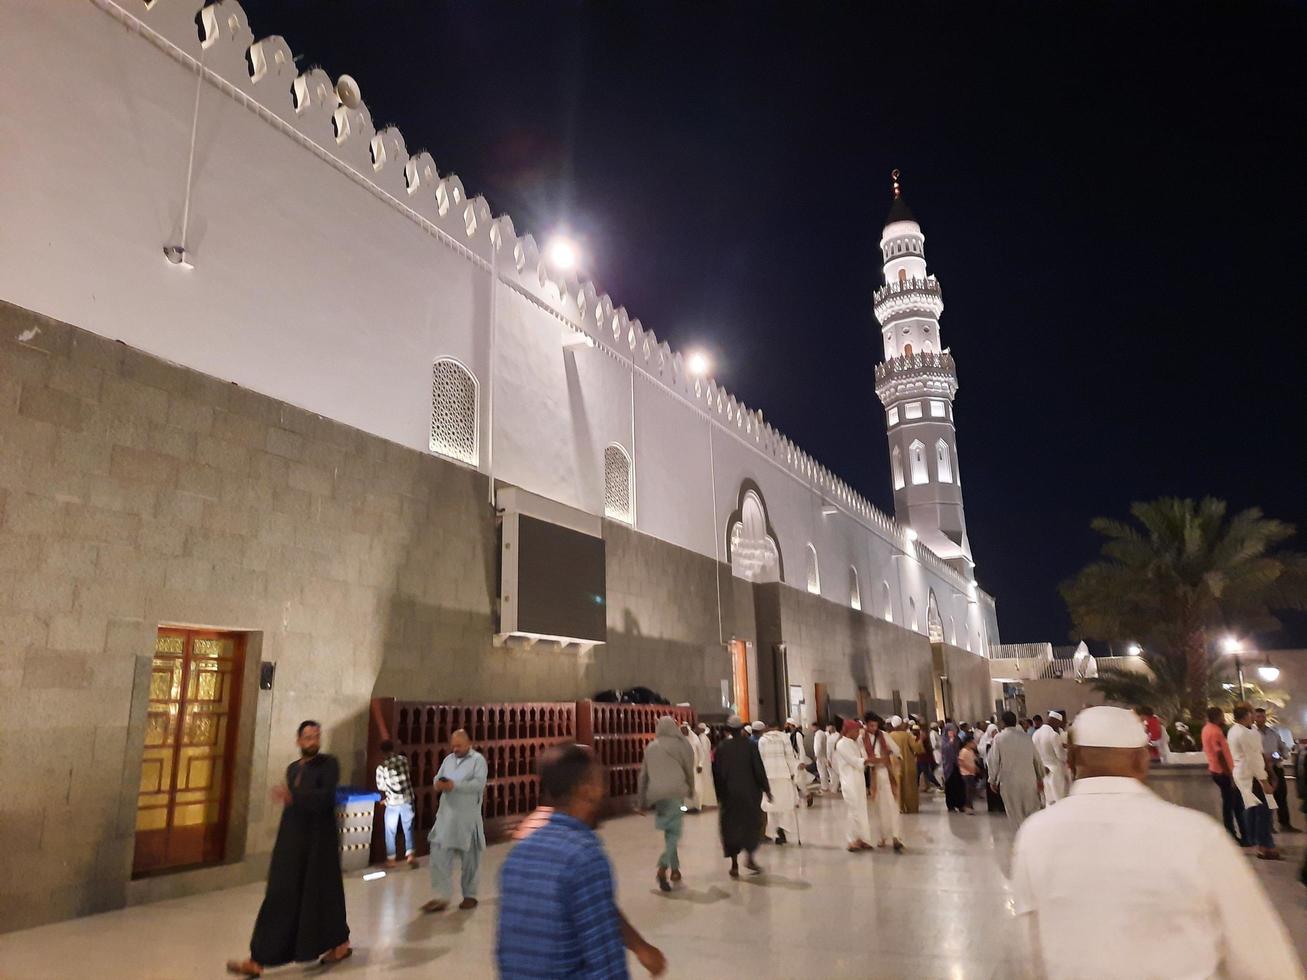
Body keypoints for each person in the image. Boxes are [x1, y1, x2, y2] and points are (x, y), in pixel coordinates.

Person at [1011, 706, 1304, 979]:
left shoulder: (1035, 834)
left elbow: (1031, 951)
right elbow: (1262, 956)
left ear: (1072, 761)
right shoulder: (1196, 835)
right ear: (1141, 760)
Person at [497, 744, 667, 978]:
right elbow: (607, 964)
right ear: (586, 790)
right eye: (599, 781)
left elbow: (591, 907)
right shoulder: (583, 857)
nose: (604, 790)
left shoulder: (518, 855)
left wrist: (639, 947)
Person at [226, 721, 350, 977]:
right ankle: (258, 958)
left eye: (316, 736)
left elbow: (326, 796)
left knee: (323, 897)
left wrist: (295, 797)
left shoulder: (329, 764)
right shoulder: (293, 769)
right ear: (298, 741)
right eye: (307, 737)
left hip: (319, 846)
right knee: (280, 897)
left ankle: (340, 944)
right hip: (292, 845)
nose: (313, 740)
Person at [422, 729, 487, 912]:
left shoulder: (477, 761)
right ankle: (441, 896)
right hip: (446, 818)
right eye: (453, 745)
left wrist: (455, 786)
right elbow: (437, 778)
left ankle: (470, 895)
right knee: (438, 857)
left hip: (467, 819)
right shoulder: (448, 760)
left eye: (459, 745)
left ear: (468, 743)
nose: (455, 748)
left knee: (470, 861)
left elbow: (478, 784)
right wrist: (439, 784)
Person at [637, 717, 696, 891]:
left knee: (670, 832)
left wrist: (641, 802)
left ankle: (675, 870)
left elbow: (643, 776)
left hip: (657, 796)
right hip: (675, 793)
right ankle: (662, 869)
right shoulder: (682, 745)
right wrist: (691, 789)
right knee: (675, 834)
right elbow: (688, 769)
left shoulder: (651, 746)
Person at [712, 716, 771, 877]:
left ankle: (734, 864)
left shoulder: (722, 747)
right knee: (751, 825)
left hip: (729, 795)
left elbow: (716, 774)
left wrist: (719, 795)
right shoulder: (751, 746)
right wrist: (767, 789)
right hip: (750, 794)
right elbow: (758, 770)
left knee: (731, 827)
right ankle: (750, 858)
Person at [1229, 704, 1280, 860]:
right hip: (1252, 776)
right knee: (1263, 812)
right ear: (1247, 715)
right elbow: (1254, 759)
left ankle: (1258, 843)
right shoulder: (1247, 734)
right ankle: (1265, 846)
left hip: (1242, 775)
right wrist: (1265, 781)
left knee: (1253, 810)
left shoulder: (1233, 731)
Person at [987, 711, 1043, 832]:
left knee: (1015, 813)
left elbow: (993, 760)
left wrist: (992, 779)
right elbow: (1037, 759)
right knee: (1031, 811)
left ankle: (1021, 839)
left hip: (1009, 782)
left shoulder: (999, 738)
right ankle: (1032, 836)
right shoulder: (1026, 737)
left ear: (1002, 722)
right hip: (1029, 780)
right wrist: (1040, 777)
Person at [1202, 706, 1246, 845]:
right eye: (1222, 716)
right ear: (1217, 717)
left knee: (1230, 803)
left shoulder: (1206, 729)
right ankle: (1235, 835)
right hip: (1223, 773)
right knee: (1234, 805)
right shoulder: (1215, 731)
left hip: (1216, 770)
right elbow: (1220, 754)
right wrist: (1231, 774)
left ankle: (1237, 834)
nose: (1223, 718)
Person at [863, 714, 904, 850]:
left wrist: (890, 757)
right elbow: (863, 757)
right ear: (866, 724)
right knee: (878, 808)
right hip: (874, 775)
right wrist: (872, 761)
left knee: (893, 804)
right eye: (871, 725)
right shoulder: (862, 738)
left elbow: (897, 750)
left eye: (875, 725)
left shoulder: (884, 736)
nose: (873, 728)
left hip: (887, 773)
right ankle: (882, 836)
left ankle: (896, 836)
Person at [375, 739, 418, 869]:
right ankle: (410, 855)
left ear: (382, 751)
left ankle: (391, 859)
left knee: (390, 831)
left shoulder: (381, 767)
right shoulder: (403, 760)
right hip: (407, 800)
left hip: (393, 803)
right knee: (408, 828)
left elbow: (381, 786)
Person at [1255, 707, 1298, 833]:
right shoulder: (1252, 734)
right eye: (1258, 717)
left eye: (1262, 716)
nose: (1260, 719)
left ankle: (1285, 823)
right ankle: (1269, 825)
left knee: (1281, 796)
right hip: (1263, 769)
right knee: (1267, 798)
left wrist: (1280, 755)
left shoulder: (1273, 733)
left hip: (1276, 767)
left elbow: (1283, 748)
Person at [833, 719, 873, 851]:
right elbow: (855, 761)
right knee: (854, 810)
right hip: (849, 782)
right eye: (857, 731)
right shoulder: (841, 744)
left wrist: (863, 746)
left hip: (859, 780)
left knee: (862, 810)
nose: (858, 733)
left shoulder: (856, 743)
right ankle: (852, 840)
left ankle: (863, 839)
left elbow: (864, 756)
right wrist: (871, 760)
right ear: (849, 731)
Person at [758, 722, 801, 845]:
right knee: (785, 804)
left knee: (772, 805)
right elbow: (790, 757)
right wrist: (793, 773)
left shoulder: (763, 740)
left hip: (769, 775)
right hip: (783, 774)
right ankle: (783, 827)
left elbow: (761, 759)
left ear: (768, 727)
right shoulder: (784, 738)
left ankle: (774, 833)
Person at [1032, 710, 1070, 804]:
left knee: (1047, 801)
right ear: (1055, 721)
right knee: (1059, 800)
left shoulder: (1035, 734)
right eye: (1059, 724)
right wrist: (1068, 750)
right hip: (1055, 771)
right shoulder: (1053, 735)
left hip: (1042, 771)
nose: (1059, 726)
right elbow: (1061, 756)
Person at [888, 716, 922, 813]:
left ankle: (899, 807)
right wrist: (920, 740)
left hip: (894, 764)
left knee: (897, 786)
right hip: (908, 764)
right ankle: (911, 808)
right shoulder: (906, 735)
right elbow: (917, 748)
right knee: (909, 787)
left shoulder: (889, 736)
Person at [940, 723, 968, 812]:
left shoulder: (957, 739)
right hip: (949, 766)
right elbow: (945, 750)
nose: (953, 732)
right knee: (950, 786)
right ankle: (951, 805)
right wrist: (950, 741)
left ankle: (961, 804)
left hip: (957, 765)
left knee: (959, 785)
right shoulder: (944, 740)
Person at [694, 723, 718, 809]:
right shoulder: (703, 737)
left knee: (705, 781)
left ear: (702, 729)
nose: (696, 729)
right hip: (705, 763)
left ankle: (707, 801)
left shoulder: (702, 738)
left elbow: (703, 752)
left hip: (704, 763)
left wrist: (700, 764)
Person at [957, 733, 979, 813]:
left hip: (972, 773)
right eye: (972, 742)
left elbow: (973, 761)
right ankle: (967, 806)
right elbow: (961, 762)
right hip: (966, 774)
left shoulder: (971, 752)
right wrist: (969, 768)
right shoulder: (963, 751)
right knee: (967, 791)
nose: (974, 744)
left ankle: (970, 805)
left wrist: (975, 768)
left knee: (971, 790)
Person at [813, 722, 832, 794]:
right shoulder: (823, 733)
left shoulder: (818, 734)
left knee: (822, 772)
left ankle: (824, 787)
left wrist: (816, 755)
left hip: (820, 756)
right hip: (823, 755)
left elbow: (818, 746)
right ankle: (825, 786)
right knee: (824, 771)